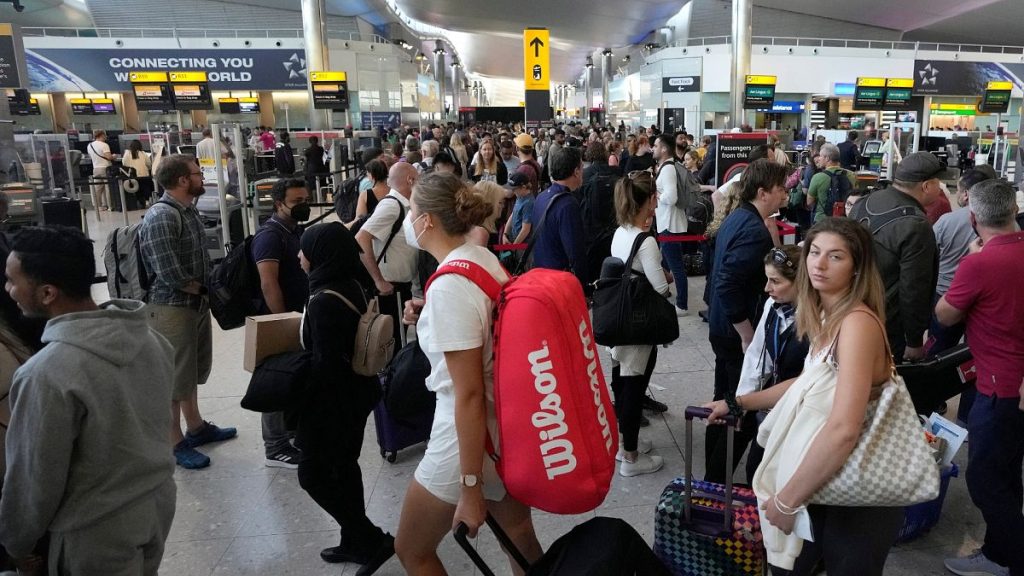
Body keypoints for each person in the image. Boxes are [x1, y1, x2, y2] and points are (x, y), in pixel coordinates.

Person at [709, 217, 904, 576]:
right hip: (827, 478)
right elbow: (804, 383)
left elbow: (844, 427)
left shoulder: (857, 324)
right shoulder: (828, 316)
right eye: (814, 252)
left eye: (835, 256)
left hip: (856, 489)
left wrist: (787, 499)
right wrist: (738, 402)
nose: (819, 263)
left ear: (857, 267)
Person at [0, 226, 176, 575]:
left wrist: (16, 544)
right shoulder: (152, 341)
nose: (8, 290)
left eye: (11, 280)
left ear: (48, 292)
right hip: (155, 505)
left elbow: (36, 477)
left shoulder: (46, 373)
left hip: (96, 530)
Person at [394, 172, 543, 575]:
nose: (408, 220)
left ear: (428, 221)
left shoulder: (449, 286)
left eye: (411, 211)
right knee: (519, 538)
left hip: (464, 439)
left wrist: (470, 486)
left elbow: (468, 394)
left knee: (412, 548)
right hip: (504, 427)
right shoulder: (481, 259)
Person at [936, 179, 1024, 576]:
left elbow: (945, 315)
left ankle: (1013, 557)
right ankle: (998, 552)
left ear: (973, 217)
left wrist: (970, 258)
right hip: (1014, 387)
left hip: (996, 387)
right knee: (1007, 474)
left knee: (986, 479)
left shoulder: (981, 262)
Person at [297, 223, 395, 575]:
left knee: (312, 474)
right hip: (359, 393)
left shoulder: (324, 300)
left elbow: (324, 366)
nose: (299, 257)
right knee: (345, 465)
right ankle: (353, 540)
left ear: (321, 254)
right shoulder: (353, 282)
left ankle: (369, 538)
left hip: (332, 404)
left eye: (304, 250)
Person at [141, 154, 237, 469]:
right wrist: (205, 290)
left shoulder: (188, 210)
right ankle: (174, 441)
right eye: (197, 174)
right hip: (170, 307)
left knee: (190, 370)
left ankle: (196, 427)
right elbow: (168, 271)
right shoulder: (162, 216)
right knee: (172, 377)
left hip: (193, 304)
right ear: (183, 180)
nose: (202, 179)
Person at [705, 159, 789, 484]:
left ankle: (712, 476)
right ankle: (716, 479)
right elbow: (726, 282)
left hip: (722, 324)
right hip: (734, 330)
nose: (785, 194)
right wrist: (746, 334)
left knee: (724, 397)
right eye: (780, 188)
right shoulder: (754, 230)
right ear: (762, 191)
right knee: (739, 404)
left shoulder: (739, 217)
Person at [706, 245, 807, 482]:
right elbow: (756, 354)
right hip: (765, 391)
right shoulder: (774, 306)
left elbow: (806, 382)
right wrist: (740, 402)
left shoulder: (819, 320)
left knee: (757, 470)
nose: (767, 288)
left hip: (794, 405)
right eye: (767, 279)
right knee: (724, 453)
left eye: (775, 281)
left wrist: (741, 402)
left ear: (801, 282)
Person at [847, 151, 941, 362]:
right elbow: (913, 288)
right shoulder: (916, 225)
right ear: (926, 186)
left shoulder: (865, 201)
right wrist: (914, 340)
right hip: (888, 325)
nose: (941, 188)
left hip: (852, 311)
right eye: (938, 183)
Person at [608, 171, 669, 477]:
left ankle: (624, 441)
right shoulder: (646, 241)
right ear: (648, 201)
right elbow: (660, 288)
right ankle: (629, 456)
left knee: (621, 383)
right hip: (638, 324)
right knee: (633, 387)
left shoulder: (621, 232)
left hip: (620, 320)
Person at [251, 178, 310, 469]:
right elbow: (268, 282)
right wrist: (282, 320)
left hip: (295, 316)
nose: (304, 206)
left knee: (292, 375)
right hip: (277, 318)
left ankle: (291, 432)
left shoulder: (293, 231)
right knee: (273, 379)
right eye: (297, 202)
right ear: (279, 204)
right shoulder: (269, 236)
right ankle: (275, 447)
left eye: (305, 200)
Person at [355, 162, 419, 344]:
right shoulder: (392, 206)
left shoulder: (403, 204)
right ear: (410, 180)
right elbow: (361, 238)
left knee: (399, 338)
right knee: (394, 340)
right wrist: (379, 280)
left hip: (399, 286)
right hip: (391, 288)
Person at [530, 146, 588, 286]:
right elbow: (575, 251)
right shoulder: (568, 204)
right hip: (558, 280)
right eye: (582, 167)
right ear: (576, 171)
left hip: (539, 274)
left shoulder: (541, 196)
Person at [653, 134, 690, 315]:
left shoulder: (668, 169)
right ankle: (663, 292)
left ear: (664, 149)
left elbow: (671, 197)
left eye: (656, 146)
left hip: (670, 224)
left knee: (676, 267)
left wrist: (656, 194)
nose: (653, 148)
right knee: (666, 263)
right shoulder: (666, 167)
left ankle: (682, 305)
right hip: (667, 223)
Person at [805, 144, 856, 223]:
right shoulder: (852, 175)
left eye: (821, 156)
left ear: (827, 158)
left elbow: (809, 202)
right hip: (844, 220)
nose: (818, 159)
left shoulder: (817, 177)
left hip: (822, 220)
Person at [350, 159, 390, 225]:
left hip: (372, 231)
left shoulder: (365, 195)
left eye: (368, 173)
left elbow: (359, 220)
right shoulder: (394, 190)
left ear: (372, 176)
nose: (367, 175)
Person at [502, 169, 535, 246]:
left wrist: (514, 247)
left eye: (514, 189)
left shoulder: (528, 203)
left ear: (523, 187)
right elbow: (513, 214)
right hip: (513, 238)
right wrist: (505, 234)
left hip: (521, 243)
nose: (512, 192)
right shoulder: (520, 196)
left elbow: (525, 230)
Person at [87, 129, 116, 211]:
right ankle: (110, 206)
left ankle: (98, 206)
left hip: (95, 168)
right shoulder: (104, 145)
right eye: (105, 135)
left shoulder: (90, 145)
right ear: (102, 135)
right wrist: (114, 156)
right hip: (105, 168)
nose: (106, 137)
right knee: (108, 188)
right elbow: (109, 157)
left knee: (98, 188)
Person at [121, 139, 154, 206]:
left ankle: (140, 202)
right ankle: (147, 201)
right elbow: (148, 164)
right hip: (144, 174)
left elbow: (124, 164)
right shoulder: (143, 153)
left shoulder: (127, 153)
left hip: (133, 175)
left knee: (137, 190)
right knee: (146, 188)